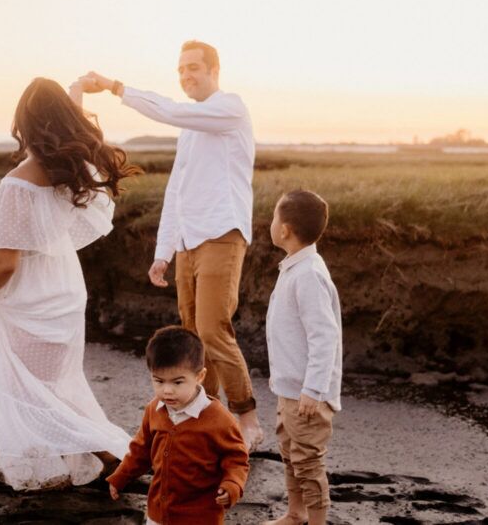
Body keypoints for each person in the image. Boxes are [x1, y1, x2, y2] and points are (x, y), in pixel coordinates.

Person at [82, 40, 264, 449]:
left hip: (222, 233)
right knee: (192, 337)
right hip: (187, 243)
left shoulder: (229, 108)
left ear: (214, 70)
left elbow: (171, 110)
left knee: (213, 330)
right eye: (181, 70)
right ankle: (207, 417)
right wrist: (163, 252)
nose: (186, 76)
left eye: (193, 68)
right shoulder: (190, 130)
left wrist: (115, 87)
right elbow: (177, 192)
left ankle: (248, 419)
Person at [0, 77, 140, 490]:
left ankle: (112, 455)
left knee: (26, 388)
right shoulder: (74, 175)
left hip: (27, 299)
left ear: (24, 124)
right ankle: (90, 456)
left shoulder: (17, 185)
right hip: (62, 290)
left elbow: (4, 263)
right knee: (53, 384)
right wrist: (73, 95)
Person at [106, 326, 249, 525]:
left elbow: (236, 459)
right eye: (159, 381)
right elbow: (140, 450)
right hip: (158, 512)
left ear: (200, 376)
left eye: (177, 382)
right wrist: (121, 476)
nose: (167, 390)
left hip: (200, 517)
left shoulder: (220, 419)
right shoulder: (154, 410)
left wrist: (232, 484)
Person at [262, 190, 343, 525]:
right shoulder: (294, 267)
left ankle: (317, 521)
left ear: (285, 230)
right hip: (290, 389)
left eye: (274, 217)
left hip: (307, 394)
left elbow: (324, 336)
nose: (271, 223)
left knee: (308, 461)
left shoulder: (308, 273)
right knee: (289, 453)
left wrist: (313, 389)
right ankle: (296, 513)